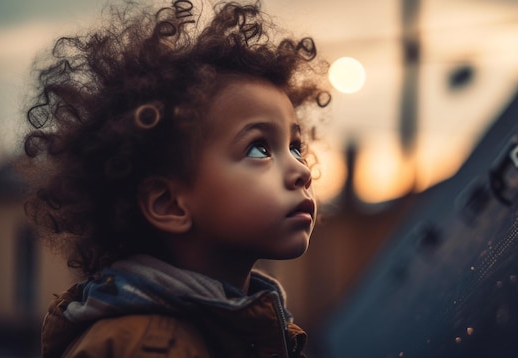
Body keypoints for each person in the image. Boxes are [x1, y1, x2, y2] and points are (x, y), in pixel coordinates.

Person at [20, 0, 330, 356]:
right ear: (168, 204)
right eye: (259, 149)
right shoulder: (148, 347)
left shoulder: (249, 327)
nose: (302, 171)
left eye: (295, 147)